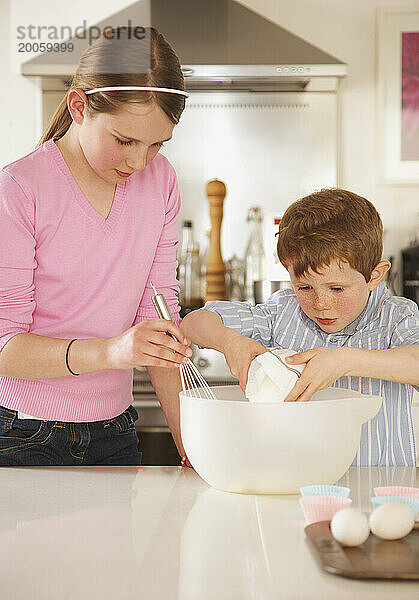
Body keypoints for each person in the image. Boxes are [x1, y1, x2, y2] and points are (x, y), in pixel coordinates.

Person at [0, 27, 192, 466]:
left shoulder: (161, 182)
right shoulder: (20, 188)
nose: (139, 161)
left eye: (157, 144)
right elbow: (3, 345)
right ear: (79, 105)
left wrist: (191, 446)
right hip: (20, 433)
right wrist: (112, 351)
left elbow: (158, 317)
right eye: (124, 140)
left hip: (115, 433)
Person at [180, 188, 419, 466]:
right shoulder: (282, 312)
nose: (321, 303)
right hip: (294, 489)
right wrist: (229, 342)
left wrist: (344, 361)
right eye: (304, 287)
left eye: (337, 288)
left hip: (379, 489)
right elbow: (194, 323)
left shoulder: (396, 316)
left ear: (374, 275)